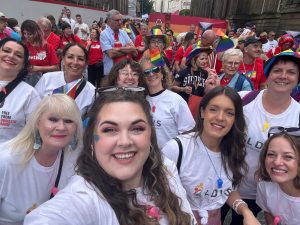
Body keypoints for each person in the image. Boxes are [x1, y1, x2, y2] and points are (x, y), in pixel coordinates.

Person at [24, 90, 196, 225]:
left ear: (150, 135)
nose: (125, 141)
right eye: (109, 129)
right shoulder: (85, 195)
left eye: (137, 128)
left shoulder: (166, 170)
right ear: (91, 141)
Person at [162, 86, 261, 225]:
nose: (220, 117)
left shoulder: (234, 150)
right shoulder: (177, 149)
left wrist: (246, 212)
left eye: (229, 113)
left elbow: (228, 191)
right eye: (213, 109)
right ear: (203, 112)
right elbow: (156, 193)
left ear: (235, 119)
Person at [222, 50, 300, 225]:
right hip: (224, 183)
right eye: (277, 70)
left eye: (291, 72)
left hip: (266, 192)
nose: (283, 76)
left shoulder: (298, 115)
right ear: (268, 73)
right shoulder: (244, 100)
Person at [0, 94, 82, 225]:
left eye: (68, 121)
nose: (61, 127)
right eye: (53, 119)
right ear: (38, 122)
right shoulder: (6, 160)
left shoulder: (75, 158)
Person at [141, 56, 195, 149]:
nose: (151, 74)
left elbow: (188, 134)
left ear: (162, 74)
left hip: (170, 160)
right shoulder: (141, 102)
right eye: (146, 72)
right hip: (148, 158)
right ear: (143, 78)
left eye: (155, 69)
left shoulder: (176, 100)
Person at [35, 43, 95, 116]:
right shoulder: (47, 79)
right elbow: (34, 110)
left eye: (80, 59)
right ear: (63, 59)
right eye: (70, 57)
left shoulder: (91, 92)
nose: (75, 62)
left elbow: (88, 124)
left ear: (86, 63)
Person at [256, 128, 300, 225]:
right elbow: (268, 212)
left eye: (288, 157)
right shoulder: (264, 185)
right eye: (271, 154)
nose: (277, 162)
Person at [0, 38, 41, 143]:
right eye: (6, 51)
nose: (11, 56)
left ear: (23, 64)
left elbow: (35, 134)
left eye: (18, 55)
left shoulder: (30, 94)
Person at [20, 19, 59, 86]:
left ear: (36, 33)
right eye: (24, 33)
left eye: (29, 34)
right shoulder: (22, 47)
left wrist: (37, 68)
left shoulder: (47, 47)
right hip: (25, 82)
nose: (26, 36)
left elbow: (56, 67)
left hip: (44, 82)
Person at [100, 9, 137, 76]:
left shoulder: (123, 32)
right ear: (109, 21)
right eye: (117, 20)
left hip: (125, 72)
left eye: (121, 20)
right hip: (111, 73)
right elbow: (111, 54)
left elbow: (133, 48)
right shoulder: (104, 34)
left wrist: (118, 49)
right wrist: (126, 48)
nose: (120, 22)